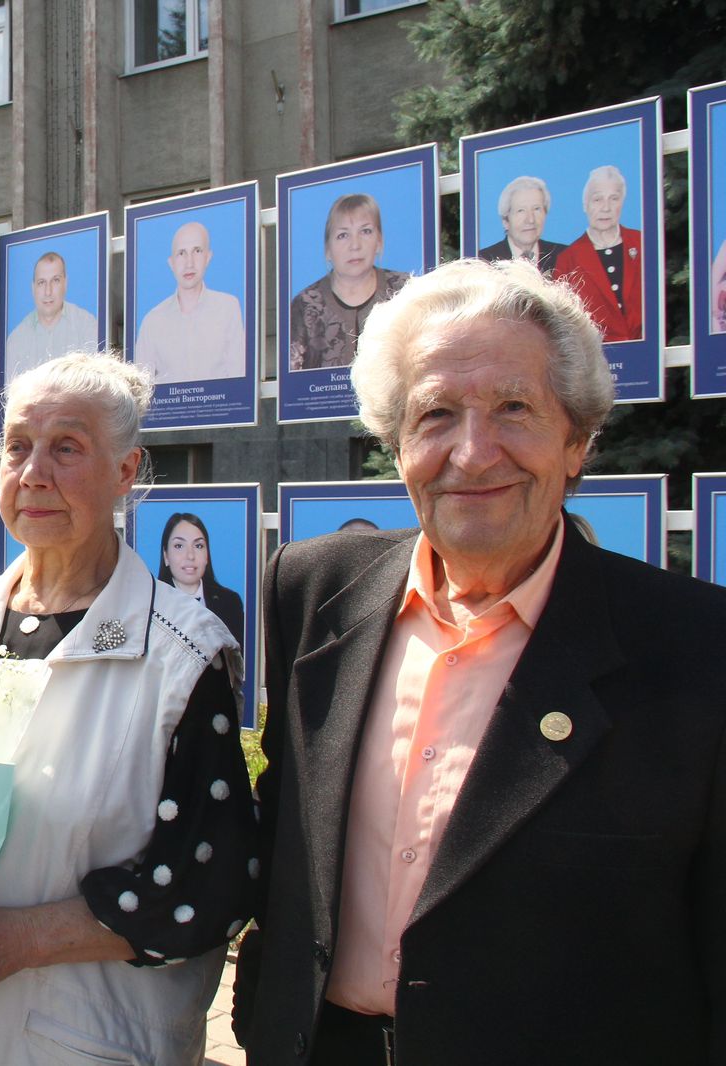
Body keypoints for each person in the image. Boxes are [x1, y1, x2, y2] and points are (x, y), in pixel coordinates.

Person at [233, 258, 726, 1065]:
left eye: (513, 408)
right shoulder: (313, 589)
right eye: (434, 416)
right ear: (396, 446)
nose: (472, 452)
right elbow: (290, 835)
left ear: (577, 441)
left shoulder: (697, 649)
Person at [0, 352, 259, 1064]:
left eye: (66, 448)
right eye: (17, 447)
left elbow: (209, 882)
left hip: (89, 1037)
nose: (33, 473)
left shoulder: (182, 654)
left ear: (126, 472)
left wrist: (16, 942)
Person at [289, 193, 410, 371]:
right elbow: (292, 381)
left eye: (365, 231)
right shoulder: (305, 303)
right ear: (328, 250)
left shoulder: (406, 290)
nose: (355, 245)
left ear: (379, 241)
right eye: (343, 235)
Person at [134, 221, 246, 383]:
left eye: (197, 251)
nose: (189, 263)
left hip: (218, 407)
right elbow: (141, 388)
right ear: (171, 263)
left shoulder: (228, 308)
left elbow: (239, 375)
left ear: (208, 257)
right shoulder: (152, 321)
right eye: (181, 253)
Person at [553, 165, 643, 342]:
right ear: (585, 205)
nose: (606, 208)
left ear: (622, 202)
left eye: (614, 198)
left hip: (643, 354)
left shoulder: (642, 242)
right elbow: (562, 322)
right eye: (597, 200)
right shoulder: (568, 259)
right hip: (597, 360)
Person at [4, 252, 100, 380]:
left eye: (55, 280)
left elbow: (96, 386)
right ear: (33, 288)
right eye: (41, 282)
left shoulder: (87, 327)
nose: (48, 291)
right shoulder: (16, 340)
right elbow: (11, 396)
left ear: (65, 283)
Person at [158, 512, 244, 645]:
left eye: (198, 546)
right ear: (166, 556)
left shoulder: (230, 602)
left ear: (207, 555)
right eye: (179, 546)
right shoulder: (152, 604)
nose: (190, 556)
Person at [478, 175, 565, 273]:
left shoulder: (564, 255)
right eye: (521, 211)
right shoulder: (483, 262)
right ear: (505, 221)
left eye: (537, 209)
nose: (531, 220)